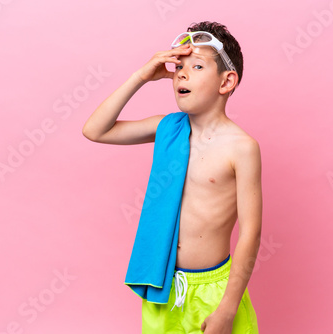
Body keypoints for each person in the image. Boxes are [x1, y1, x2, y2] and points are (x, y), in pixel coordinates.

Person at [82, 21, 262, 334]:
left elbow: (251, 232)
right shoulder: (168, 128)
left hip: (214, 290)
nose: (181, 73)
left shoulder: (241, 148)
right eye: (178, 66)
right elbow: (95, 130)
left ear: (226, 81)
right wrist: (141, 76)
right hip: (164, 287)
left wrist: (228, 308)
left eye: (196, 65)